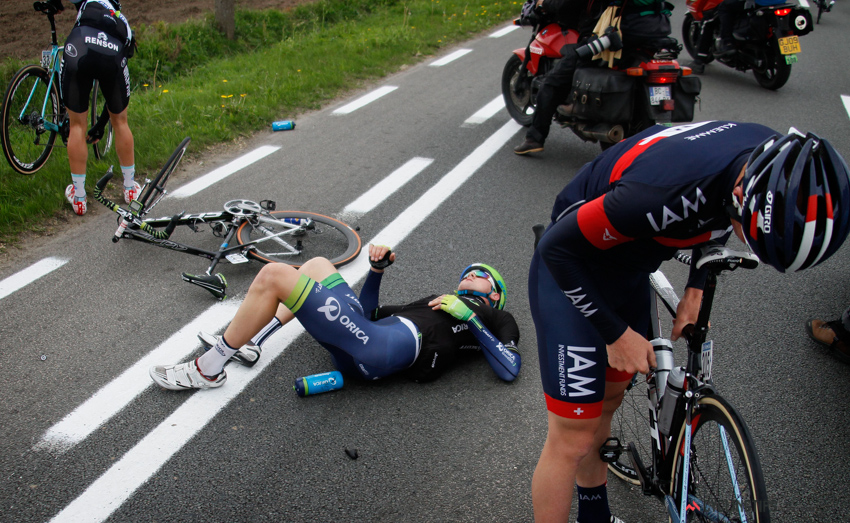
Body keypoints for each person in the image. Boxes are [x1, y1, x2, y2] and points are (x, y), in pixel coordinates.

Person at [528, 121, 850, 522]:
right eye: (749, 237)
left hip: (630, 267)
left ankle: (594, 513)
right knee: (571, 438)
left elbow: (714, 220)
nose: (747, 243)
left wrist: (696, 287)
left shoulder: (773, 163)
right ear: (738, 195)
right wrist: (614, 334)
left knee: (607, 405)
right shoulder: (658, 194)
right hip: (573, 267)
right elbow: (556, 248)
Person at [150, 245, 521, 390]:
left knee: (275, 276)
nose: (470, 273)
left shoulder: (495, 316)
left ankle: (207, 369)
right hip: (368, 336)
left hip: (376, 353)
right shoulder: (434, 301)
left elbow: (510, 368)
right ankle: (253, 342)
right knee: (314, 265)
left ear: (494, 293)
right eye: (468, 271)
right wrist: (376, 272)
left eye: (481, 274)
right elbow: (371, 313)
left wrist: (470, 319)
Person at [50, 0, 138, 216]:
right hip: (113, 55)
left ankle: (79, 198)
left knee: (77, 126)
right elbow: (114, 98)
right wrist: (100, 124)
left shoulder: (86, 3)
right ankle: (130, 190)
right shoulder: (122, 21)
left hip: (79, 47)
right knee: (121, 122)